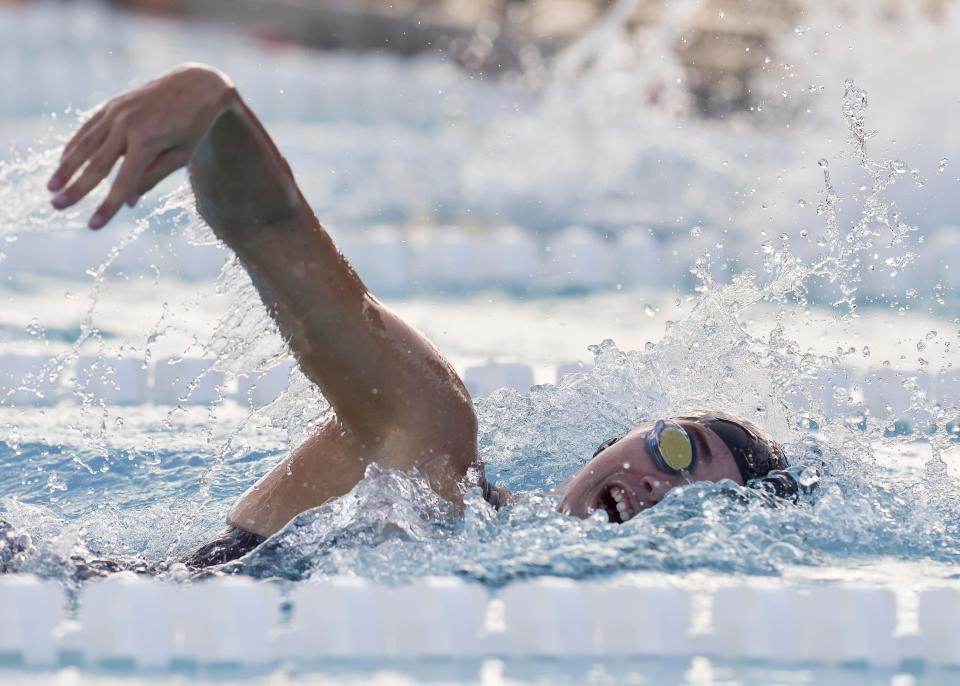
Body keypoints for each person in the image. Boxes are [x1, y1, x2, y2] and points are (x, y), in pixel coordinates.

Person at [43, 64, 799, 570]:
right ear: (622, 437)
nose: (663, 486)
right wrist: (216, 111)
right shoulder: (439, 451)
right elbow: (288, 255)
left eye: (702, 501)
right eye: (675, 449)